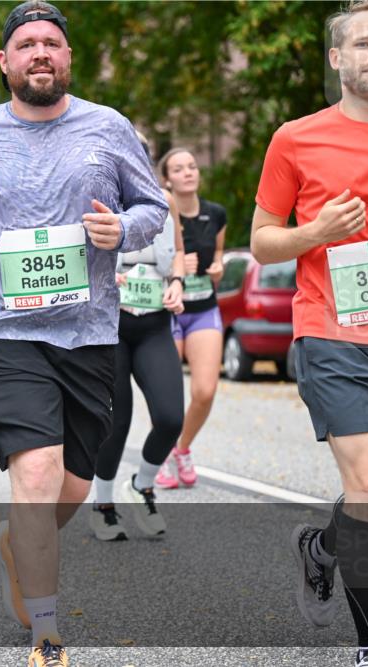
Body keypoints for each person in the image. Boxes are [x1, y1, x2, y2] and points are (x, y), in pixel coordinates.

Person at [0, 3, 167, 664]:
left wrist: (123, 231)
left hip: (89, 333)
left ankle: (15, 544)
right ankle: (46, 632)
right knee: (37, 473)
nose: (39, 52)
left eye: (51, 43)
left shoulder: (107, 127)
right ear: (4, 62)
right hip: (1, 330)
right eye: (25, 44)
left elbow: (152, 206)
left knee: (70, 488)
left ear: (67, 58)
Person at [251, 3, 368, 666]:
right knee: (367, 484)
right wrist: (316, 235)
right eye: (363, 43)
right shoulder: (296, 138)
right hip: (332, 331)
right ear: (336, 58)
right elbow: (261, 241)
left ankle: (324, 547)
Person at [89, 131, 186, 541]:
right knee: (117, 420)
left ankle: (143, 483)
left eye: (141, 153)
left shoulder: (163, 200)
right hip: (110, 324)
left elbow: (177, 251)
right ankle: (103, 504)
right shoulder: (94, 197)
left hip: (153, 322)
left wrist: (178, 280)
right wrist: (103, 274)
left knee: (169, 417)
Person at [152, 147, 227, 490]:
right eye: (179, 169)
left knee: (205, 390)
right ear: (167, 178)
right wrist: (177, 271)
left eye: (192, 166)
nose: (188, 172)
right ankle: (164, 450)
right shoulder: (159, 214)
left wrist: (217, 269)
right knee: (168, 395)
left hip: (204, 309)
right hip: (168, 311)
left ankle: (181, 448)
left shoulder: (216, 214)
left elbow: (221, 258)